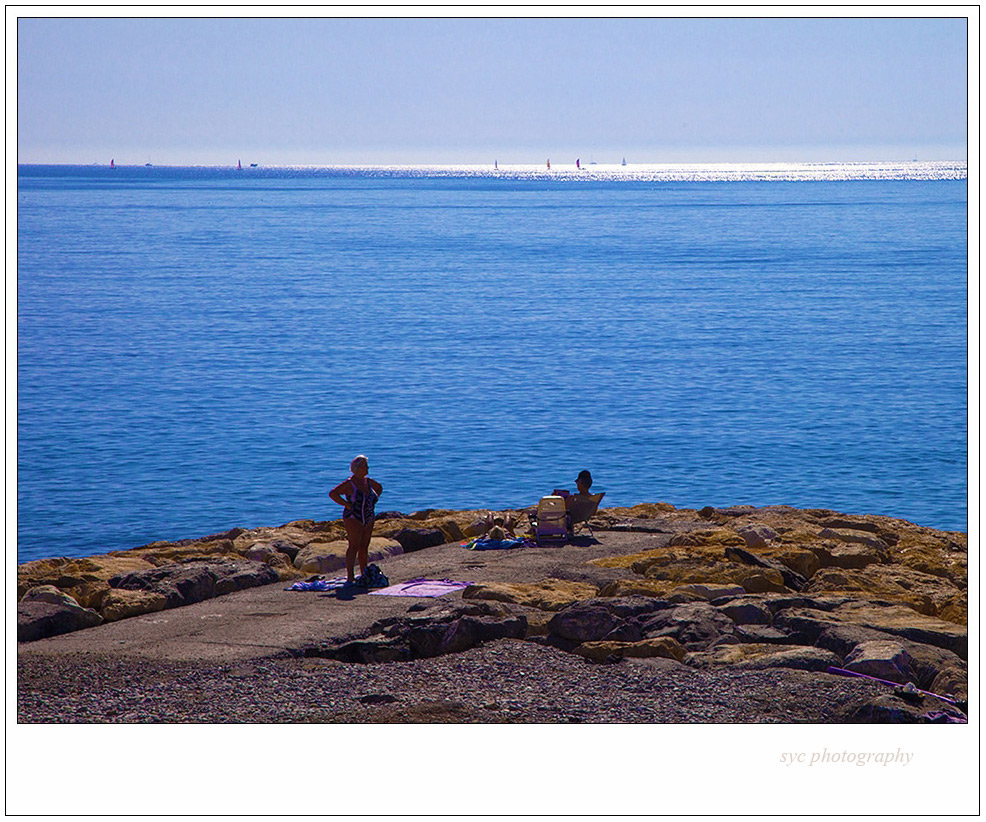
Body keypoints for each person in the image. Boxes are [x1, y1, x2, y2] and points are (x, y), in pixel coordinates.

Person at [329, 455, 383, 584]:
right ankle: (350, 576)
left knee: (364, 546)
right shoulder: (350, 484)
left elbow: (379, 488)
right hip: (354, 517)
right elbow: (333, 493)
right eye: (365, 466)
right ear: (358, 468)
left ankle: (364, 573)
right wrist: (347, 505)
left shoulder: (368, 482)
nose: (367, 468)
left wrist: (372, 502)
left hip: (368, 516)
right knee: (353, 546)